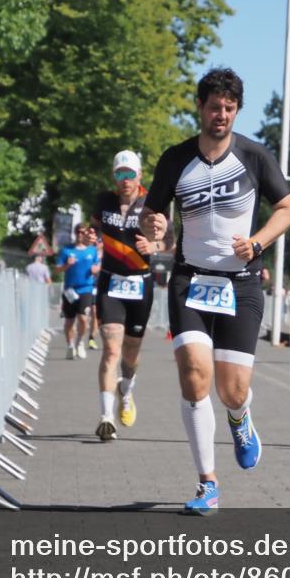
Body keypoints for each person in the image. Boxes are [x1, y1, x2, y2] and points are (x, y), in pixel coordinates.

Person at [141, 67, 290, 514]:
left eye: (229, 109)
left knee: (232, 390)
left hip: (241, 283)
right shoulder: (176, 159)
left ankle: (239, 416)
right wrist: (153, 226)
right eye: (214, 107)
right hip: (190, 280)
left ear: (236, 111)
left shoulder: (254, 156)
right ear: (200, 107)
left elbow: (289, 208)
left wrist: (258, 243)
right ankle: (207, 483)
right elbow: (151, 215)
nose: (221, 116)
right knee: (195, 375)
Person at [90, 150, 167, 441]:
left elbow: (170, 241)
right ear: (114, 176)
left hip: (140, 282)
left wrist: (154, 247)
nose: (125, 179)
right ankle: (106, 417)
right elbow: (95, 228)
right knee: (111, 350)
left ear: (139, 175)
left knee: (131, 351)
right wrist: (94, 240)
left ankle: (127, 390)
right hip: (110, 281)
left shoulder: (153, 203)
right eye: (120, 174)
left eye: (130, 174)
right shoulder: (104, 201)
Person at [55, 223, 99, 360]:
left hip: (86, 288)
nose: (81, 234)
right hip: (70, 290)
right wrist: (67, 265)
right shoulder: (66, 250)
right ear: (75, 233)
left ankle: (80, 342)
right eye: (78, 232)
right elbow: (57, 269)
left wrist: (96, 269)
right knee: (69, 320)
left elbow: (98, 264)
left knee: (83, 319)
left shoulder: (92, 250)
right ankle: (70, 346)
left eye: (83, 232)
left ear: (87, 234)